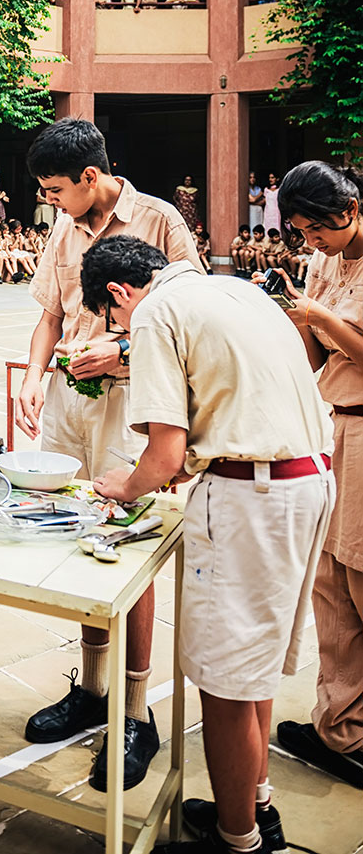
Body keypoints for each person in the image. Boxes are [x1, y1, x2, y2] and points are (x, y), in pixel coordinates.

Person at [84, 236, 334, 854]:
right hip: (309, 479)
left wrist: (126, 485)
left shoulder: (153, 315)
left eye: (112, 315)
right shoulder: (233, 288)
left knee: (223, 681)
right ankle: (255, 801)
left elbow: (164, 455)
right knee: (255, 668)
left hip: (252, 496)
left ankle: (238, 839)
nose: (120, 327)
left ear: (119, 293)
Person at [14, 118, 202, 791]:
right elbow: (48, 314)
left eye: (57, 189)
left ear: (91, 177)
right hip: (69, 403)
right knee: (77, 536)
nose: (51, 202)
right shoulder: (62, 229)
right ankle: (91, 689)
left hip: (133, 403)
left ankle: (135, 711)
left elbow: (190, 314)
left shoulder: (157, 222)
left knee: (130, 548)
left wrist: (120, 351)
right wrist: (35, 378)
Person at [272, 162, 363, 788]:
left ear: (350, 209)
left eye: (319, 230)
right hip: (335, 423)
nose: (313, 243)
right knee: (329, 582)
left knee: (359, 575)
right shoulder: (322, 261)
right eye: (302, 233)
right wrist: (290, 316)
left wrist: (319, 318)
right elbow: (312, 355)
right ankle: (342, 729)